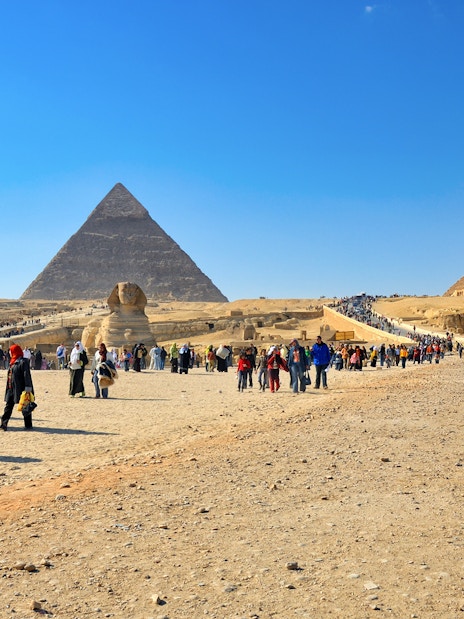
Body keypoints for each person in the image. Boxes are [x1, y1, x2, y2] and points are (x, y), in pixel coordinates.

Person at [2, 344, 35, 431]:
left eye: (11, 351)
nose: (9, 352)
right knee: (8, 405)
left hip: (20, 388)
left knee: (25, 405)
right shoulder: (12, 362)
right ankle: (3, 424)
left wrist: (28, 389)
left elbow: (26, 375)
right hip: (11, 387)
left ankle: (28, 425)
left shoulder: (23, 362)